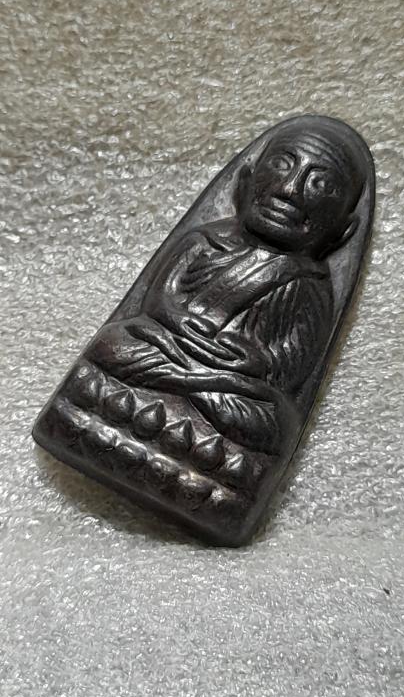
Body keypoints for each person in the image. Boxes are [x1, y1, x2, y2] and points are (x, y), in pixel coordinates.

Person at [87, 118, 367, 454]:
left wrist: (250, 360)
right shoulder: (205, 241)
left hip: (232, 382)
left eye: (320, 185)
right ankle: (187, 408)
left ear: (343, 230)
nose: (289, 190)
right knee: (114, 343)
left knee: (277, 421)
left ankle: (169, 397)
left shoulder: (309, 285)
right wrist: (180, 323)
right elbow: (157, 302)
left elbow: (290, 367)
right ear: (244, 183)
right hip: (168, 346)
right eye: (281, 165)